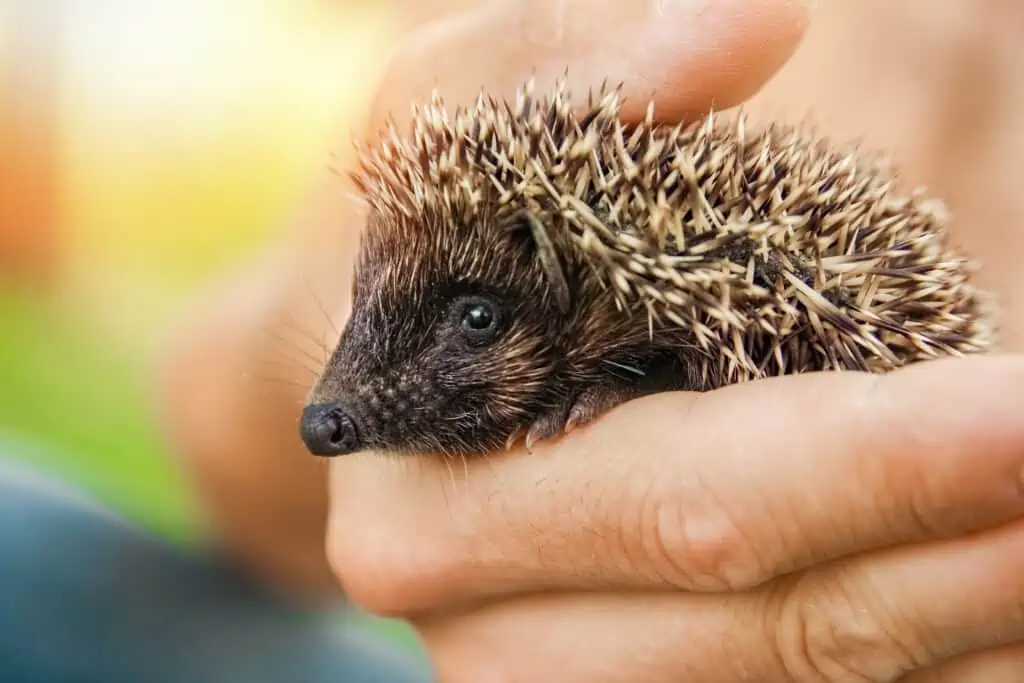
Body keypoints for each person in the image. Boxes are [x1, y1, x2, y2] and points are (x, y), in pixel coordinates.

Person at [4, 0, 1024, 681]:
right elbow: (248, 443)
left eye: (478, 321)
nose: (336, 409)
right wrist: (307, 300)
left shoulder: (683, 305)